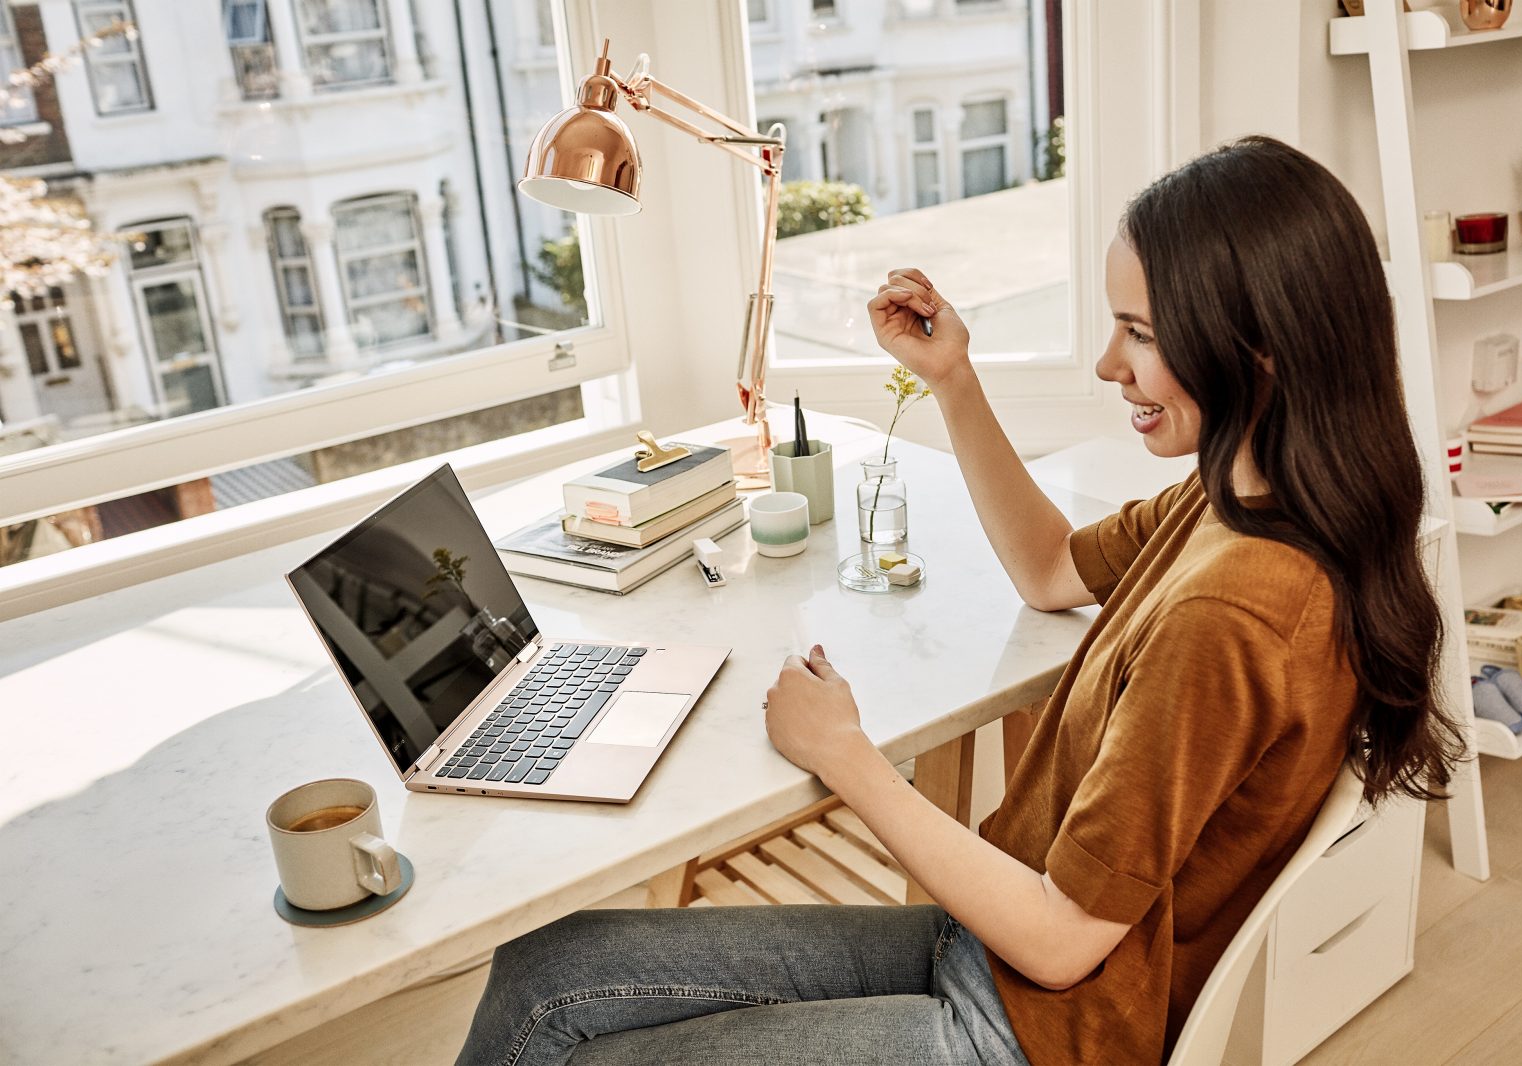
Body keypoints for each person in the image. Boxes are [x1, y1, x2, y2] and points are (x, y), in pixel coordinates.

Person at [455, 136, 1464, 1065]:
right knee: (546, 968)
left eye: (1138, 333)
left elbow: (1065, 943)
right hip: (991, 941)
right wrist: (953, 378)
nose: (1109, 365)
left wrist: (843, 752)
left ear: (1260, 352)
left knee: (572, 1046)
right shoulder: (1236, 498)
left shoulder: (1235, 613)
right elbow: (1049, 569)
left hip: (1032, 1025)